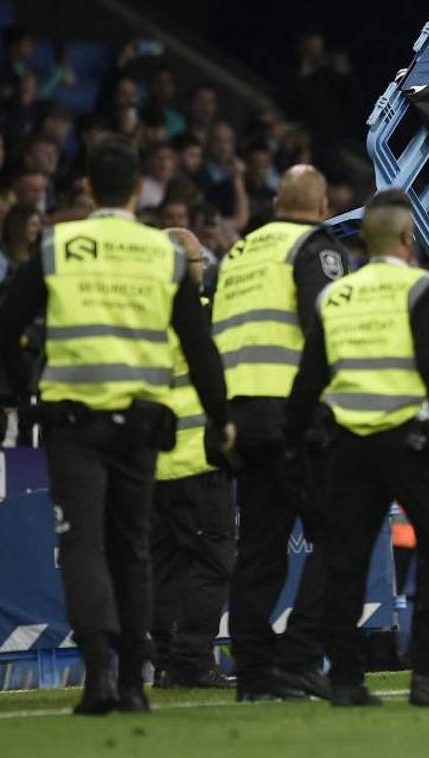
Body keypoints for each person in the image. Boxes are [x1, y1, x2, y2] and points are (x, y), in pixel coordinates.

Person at [0, 134, 233, 715]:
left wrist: (30, 382)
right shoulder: (165, 255)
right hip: (142, 426)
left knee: (84, 546)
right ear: (133, 189)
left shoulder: (56, 246)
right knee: (133, 550)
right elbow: (199, 350)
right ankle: (133, 687)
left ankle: (101, 679)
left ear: (89, 187)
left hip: (74, 423)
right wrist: (222, 421)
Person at [285, 188, 429, 707]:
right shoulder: (419, 286)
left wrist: (298, 448)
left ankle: (348, 682)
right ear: (407, 236)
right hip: (406, 441)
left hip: (346, 446)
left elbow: (308, 381)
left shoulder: (335, 296)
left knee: (343, 562)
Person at [212, 164, 348, 701]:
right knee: (340, 535)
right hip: (295, 414)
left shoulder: (238, 254)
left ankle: (253, 674)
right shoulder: (314, 246)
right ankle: (297, 658)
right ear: (320, 209)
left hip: (240, 416)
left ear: (274, 204)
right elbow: (328, 327)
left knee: (260, 551)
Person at [150, 228, 236, 690]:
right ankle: (193, 658)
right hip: (197, 460)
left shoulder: (142, 321)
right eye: (201, 261)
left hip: (153, 466)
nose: (207, 269)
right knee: (212, 561)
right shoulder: (204, 316)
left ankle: (165, 660)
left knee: (164, 567)